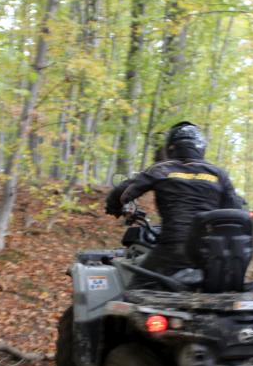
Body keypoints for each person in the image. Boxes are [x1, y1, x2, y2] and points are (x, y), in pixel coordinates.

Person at [105, 121, 245, 288]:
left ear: (171, 147)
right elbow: (235, 210)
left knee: (135, 289)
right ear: (200, 147)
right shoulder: (219, 174)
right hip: (212, 252)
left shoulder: (162, 169)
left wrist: (114, 206)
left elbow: (123, 192)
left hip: (175, 248)